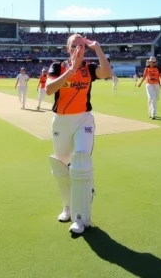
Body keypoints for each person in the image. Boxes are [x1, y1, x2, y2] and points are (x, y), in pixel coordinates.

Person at [45, 34, 113, 235]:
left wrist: (98, 48)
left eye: (82, 46)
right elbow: (49, 89)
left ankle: (80, 218)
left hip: (83, 120)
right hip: (61, 121)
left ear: (85, 48)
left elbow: (107, 73)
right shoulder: (57, 67)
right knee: (62, 167)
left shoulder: (90, 68)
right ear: (68, 48)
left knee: (81, 161)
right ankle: (68, 206)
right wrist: (71, 70)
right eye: (74, 46)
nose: (78, 49)